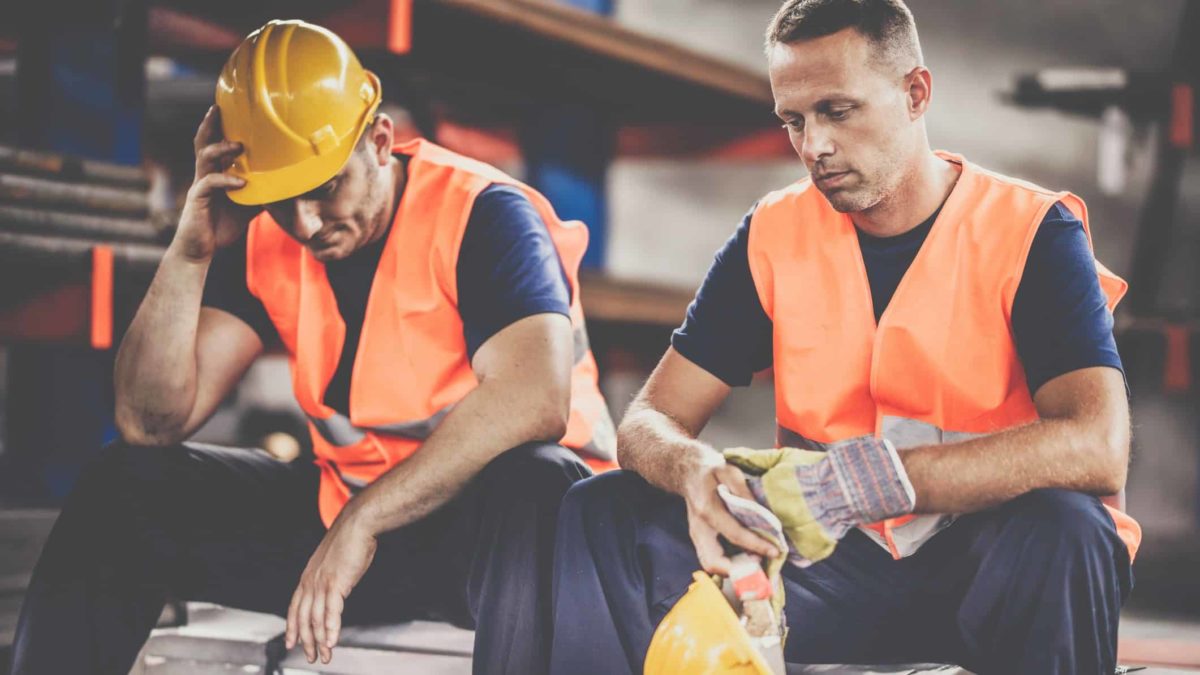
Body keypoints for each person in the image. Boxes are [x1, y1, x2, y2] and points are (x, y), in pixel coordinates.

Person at [549, 1, 1140, 673]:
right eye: (794, 120)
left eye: (838, 110)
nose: (814, 147)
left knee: (1069, 530)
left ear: (916, 93)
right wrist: (696, 472)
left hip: (986, 567)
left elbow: (1099, 443)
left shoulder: (1032, 232)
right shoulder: (774, 233)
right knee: (602, 507)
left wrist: (875, 481)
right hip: (829, 567)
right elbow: (649, 420)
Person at [11, 19, 615, 675]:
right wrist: (190, 249)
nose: (305, 224)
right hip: (363, 532)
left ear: (379, 141)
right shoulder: (272, 239)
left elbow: (536, 397)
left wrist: (363, 521)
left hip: (510, 547)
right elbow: (149, 420)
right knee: (123, 484)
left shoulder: (483, 214)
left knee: (539, 480)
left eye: (325, 188)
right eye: (279, 200)